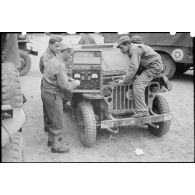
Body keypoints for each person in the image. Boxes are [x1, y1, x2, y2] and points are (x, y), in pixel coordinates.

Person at [116, 35, 171, 118]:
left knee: (138, 85)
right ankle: (159, 77)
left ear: (127, 44)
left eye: (121, 47)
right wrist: (128, 77)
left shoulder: (135, 49)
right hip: (154, 66)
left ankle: (142, 111)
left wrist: (124, 80)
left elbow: (134, 67)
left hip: (152, 67)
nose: (121, 50)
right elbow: (138, 66)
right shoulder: (134, 49)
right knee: (136, 80)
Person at [41, 43, 80, 153]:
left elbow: (53, 74)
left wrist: (67, 77)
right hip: (53, 94)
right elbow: (64, 86)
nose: (71, 56)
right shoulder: (60, 65)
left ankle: (51, 140)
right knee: (57, 120)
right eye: (70, 54)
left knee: (50, 118)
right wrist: (75, 83)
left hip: (45, 92)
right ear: (65, 52)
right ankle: (56, 146)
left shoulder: (53, 60)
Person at [39, 36, 63, 132]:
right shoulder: (45, 56)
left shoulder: (55, 54)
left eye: (59, 47)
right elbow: (47, 72)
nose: (58, 49)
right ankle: (49, 130)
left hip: (53, 84)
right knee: (48, 110)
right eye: (56, 46)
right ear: (50, 44)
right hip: (48, 85)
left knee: (53, 111)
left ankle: (51, 131)